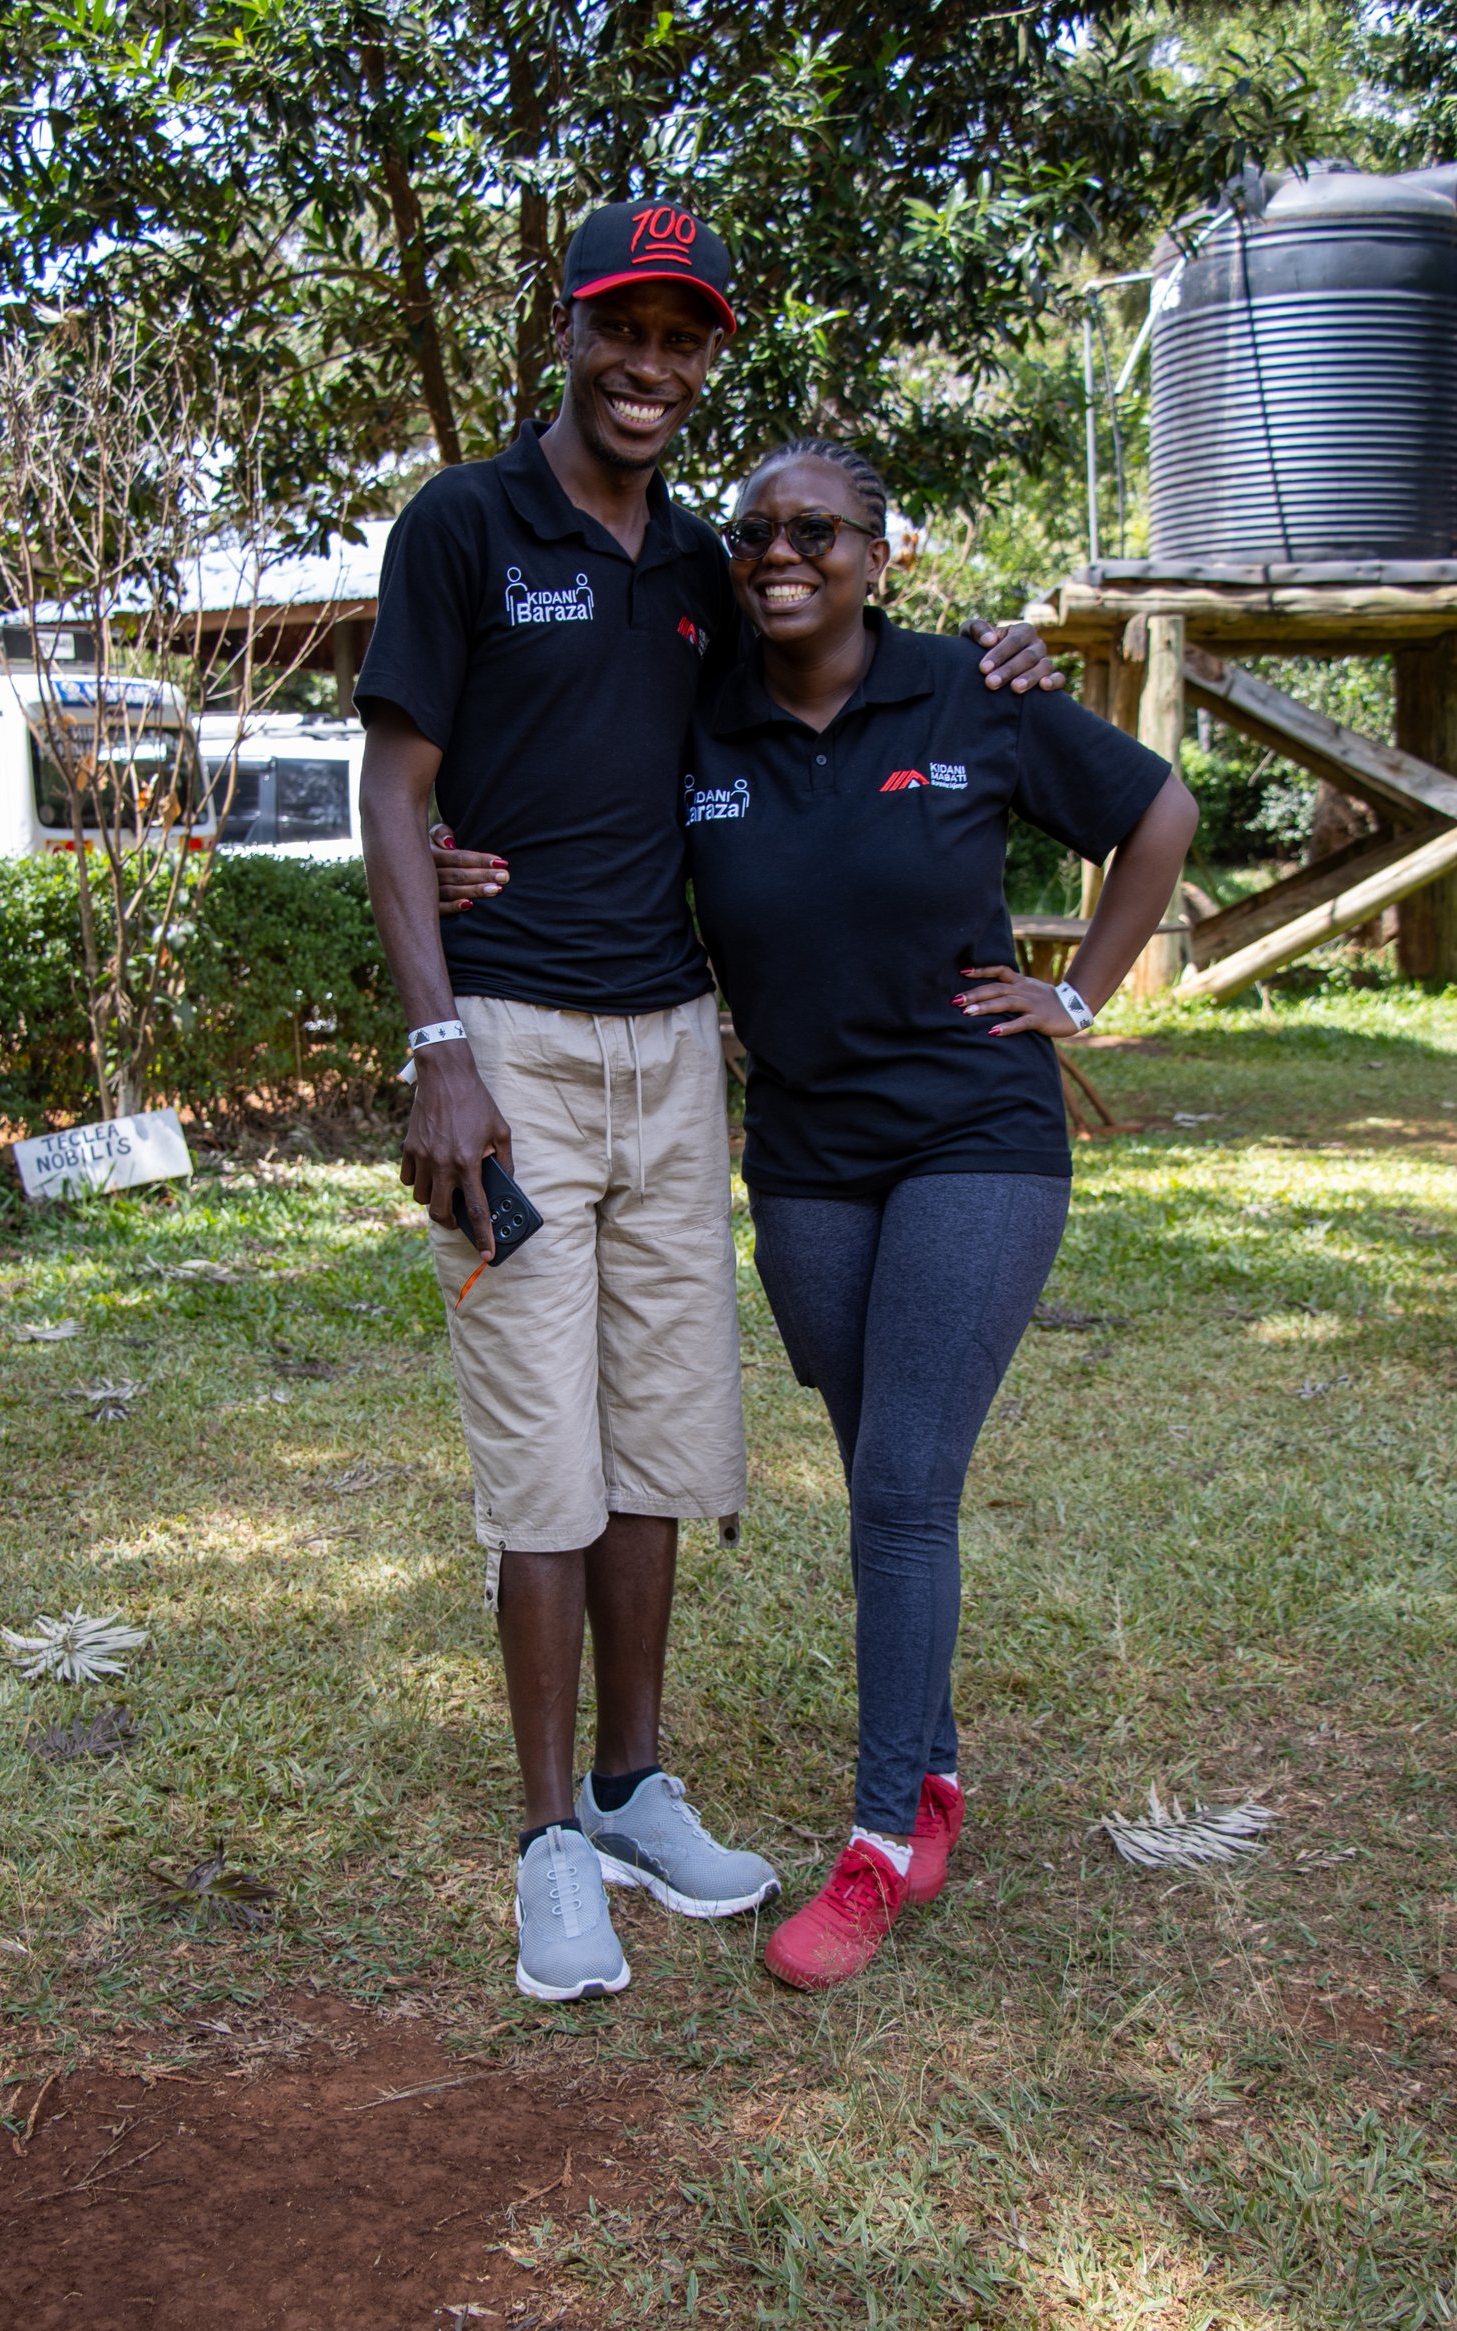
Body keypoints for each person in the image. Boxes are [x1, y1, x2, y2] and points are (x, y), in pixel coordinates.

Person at [355, 197, 1061, 2006]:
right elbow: (394, 788)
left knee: (663, 1434)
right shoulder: (463, 524)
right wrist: (438, 1048)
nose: (650, 366)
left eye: (683, 339)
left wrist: (996, 664)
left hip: (674, 1048)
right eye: (624, 328)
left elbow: (837, 660)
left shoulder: (703, 563)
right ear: (568, 330)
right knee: (544, 1455)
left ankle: (631, 1790)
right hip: (510, 1048)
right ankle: (546, 1844)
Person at [678, 437, 1196, 1990]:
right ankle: (939, 1773)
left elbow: (1158, 811)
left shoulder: (977, 690)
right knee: (880, 1476)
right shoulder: (700, 715)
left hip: (976, 1134)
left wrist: (1079, 994)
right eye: (755, 530)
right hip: (808, 1156)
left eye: (816, 529)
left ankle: (879, 1842)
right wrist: (453, 856)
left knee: (904, 1486)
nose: (782, 552)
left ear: (877, 555)